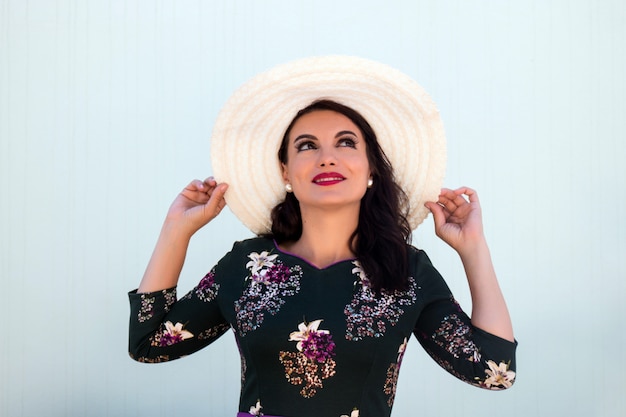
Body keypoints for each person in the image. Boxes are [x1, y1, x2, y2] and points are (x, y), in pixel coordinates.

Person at [128, 56, 517, 417]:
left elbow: (494, 371)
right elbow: (148, 343)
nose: (326, 157)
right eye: (307, 146)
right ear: (285, 172)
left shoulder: (407, 271)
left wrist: (473, 249)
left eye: (346, 143)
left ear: (371, 170)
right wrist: (175, 231)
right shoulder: (245, 266)